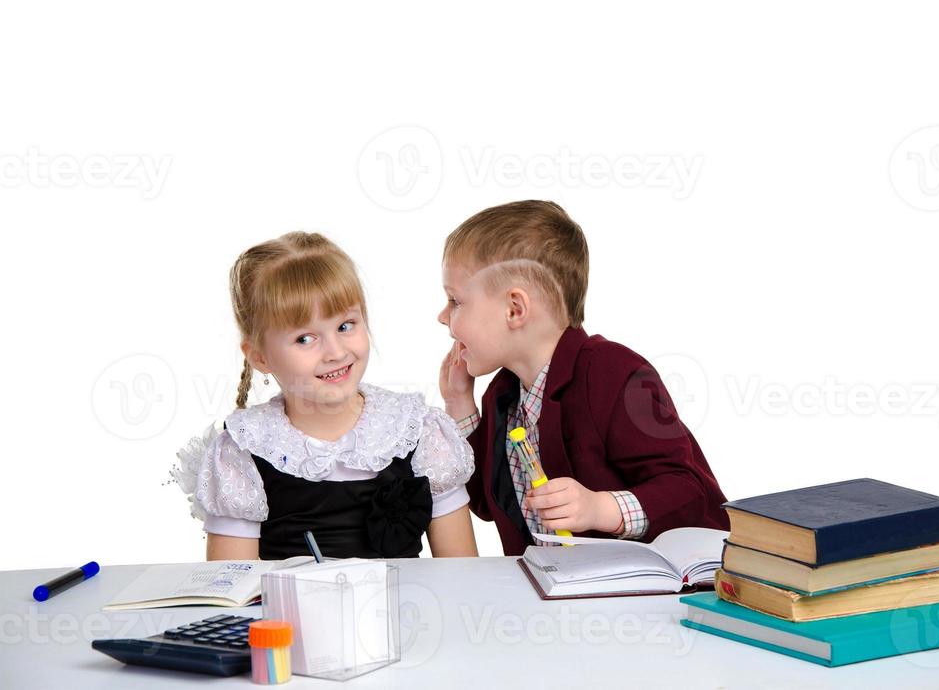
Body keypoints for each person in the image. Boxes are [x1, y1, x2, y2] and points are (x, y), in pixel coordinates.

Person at [437, 200, 728, 556]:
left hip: (650, 596)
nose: (442, 316)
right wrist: (459, 403)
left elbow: (690, 490)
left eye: (455, 301)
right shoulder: (503, 395)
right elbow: (483, 501)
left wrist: (600, 508)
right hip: (561, 601)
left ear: (515, 309)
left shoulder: (612, 372)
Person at [174, 231, 478, 560]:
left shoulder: (418, 430)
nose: (334, 351)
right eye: (305, 339)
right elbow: (233, 588)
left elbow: (460, 575)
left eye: (346, 326)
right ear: (260, 356)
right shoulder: (242, 451)